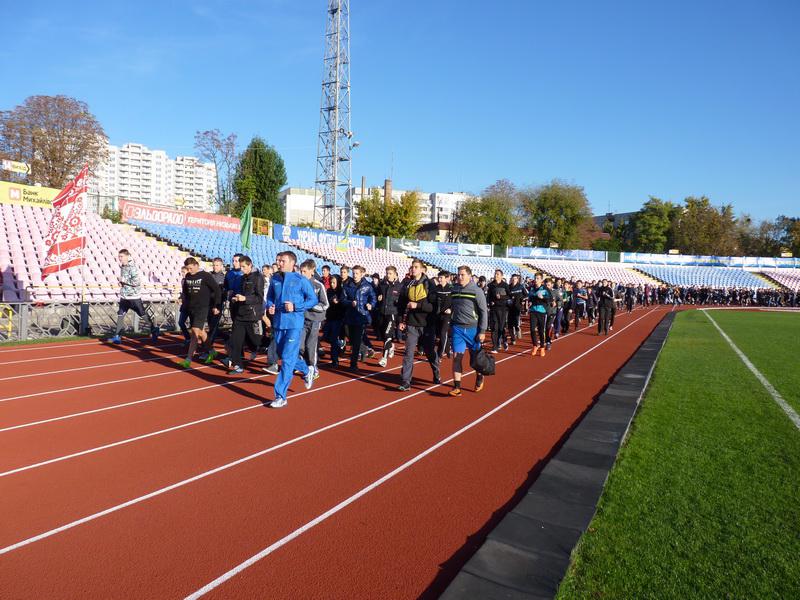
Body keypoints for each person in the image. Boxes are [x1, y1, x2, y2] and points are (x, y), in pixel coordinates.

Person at [264, 251, 318, 408]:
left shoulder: (300, 280)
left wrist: (296, 306)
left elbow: (313, 300)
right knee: (284, 355)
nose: (279, 263)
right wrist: (270, 306)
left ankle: (280, 396)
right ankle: (307, 370)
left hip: (294, 324)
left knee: (287, 360)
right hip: (278, 323)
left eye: (283, 261)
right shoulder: (275, 279)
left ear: (292, 263)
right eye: (278, 260)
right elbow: (270, 298)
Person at [398, 259, 440, 391]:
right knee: (408, 353)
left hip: (427, 324)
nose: (413, 269)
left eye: (416, 267)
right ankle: (406, 381)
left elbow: (434, 307)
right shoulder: (407, 284)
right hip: (411, 323)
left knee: (429, 352)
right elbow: (401, 304)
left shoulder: (429, 284)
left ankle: (436, 371)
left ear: (422, 269)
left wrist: (418, 305)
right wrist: (401, 320)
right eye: (412, 267)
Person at [448, 265, 489, 396]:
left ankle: (479, 376)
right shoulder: (454, 289)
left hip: (473, 329)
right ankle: (457, 387)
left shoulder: (477, 290)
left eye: (462, 275)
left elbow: (483, 311)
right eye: (458, 275)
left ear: (469, 276)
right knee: (457, 357)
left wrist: (482, 331)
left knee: (476, 358)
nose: (460, 277)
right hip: (457, 328)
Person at [223, 256, 265, 373]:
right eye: (240, 267)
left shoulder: (258, 277)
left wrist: (245, 298)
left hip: (252, 314)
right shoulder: (242, 278)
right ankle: (238, 365)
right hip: (240, 314)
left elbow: (259, 298)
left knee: (255, 340)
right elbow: (241, 294)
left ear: (250, 265)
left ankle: (268, 346)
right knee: (235, 340)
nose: (242, 269)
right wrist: (236, 298)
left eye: (244, 267)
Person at [109, 249, 159, 344]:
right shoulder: (123, 266)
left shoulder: (133, 267)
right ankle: (117, 336)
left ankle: (154, 329)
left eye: (121, 256)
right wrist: (121, 283)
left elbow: (136, 282)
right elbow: (126, 280)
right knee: (120, 315)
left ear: (127, 256)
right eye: (119, 256)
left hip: (134, 297)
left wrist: (123, 280)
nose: (120, 258)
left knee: (142, 315)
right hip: (124, 296)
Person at [179, 257, 221, 368]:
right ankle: (212, 351)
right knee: (201, 332)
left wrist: (216, 305)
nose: (189, 271)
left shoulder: (205, 276)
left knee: (195, 332)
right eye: (187, 269)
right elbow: (185, 292)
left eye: (191, 268)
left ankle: (188, 359)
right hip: (191, 308)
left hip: (202, 308)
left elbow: (217, 289)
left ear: (196, 265)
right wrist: (182, 299)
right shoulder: (188, 277)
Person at [342, 265, 377, 372]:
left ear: (362, 274)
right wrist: (350, 303)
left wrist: (371, 304)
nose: (355, 275)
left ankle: (353, 364)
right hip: (349, 316)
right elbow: (343, 299)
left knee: (357, 341)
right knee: (350, 338)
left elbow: (373, 298)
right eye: (353, 273)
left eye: (357, 273)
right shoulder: (347, 285)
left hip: (361, 316)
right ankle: (364, 348)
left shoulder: (367, 286)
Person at [298, 259, 329, 380]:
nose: (302, 274)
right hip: (302, 319)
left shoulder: (318, 285)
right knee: (299, 345)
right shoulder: (298, 284)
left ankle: (313, 367)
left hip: (315, 320)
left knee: (311, 345)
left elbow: (325, 304)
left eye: (304, 271)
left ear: (312, 271)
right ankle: (304, 365)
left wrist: (311, 305)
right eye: (301, 271)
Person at [376, 265, 403, 367]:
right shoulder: (382, 285)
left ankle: (384, 358)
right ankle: (391, 346)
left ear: (395, 274)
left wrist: (400, 319)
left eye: (390, 273)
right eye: (387, 273)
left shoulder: (400, 286)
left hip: (392, 314)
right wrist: (378, 298)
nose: (388, 275)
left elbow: (402, 303)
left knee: (387, 335)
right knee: (383, 336)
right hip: (381, 313)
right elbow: (377, 295)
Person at [200, 257, 226, 361]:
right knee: (211, 328)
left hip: (217, 306)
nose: (215, 267)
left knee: (213, 328)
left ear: (221, 266)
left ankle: (207, 350)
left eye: (217, 265)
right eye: (214, 265)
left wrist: (218, 306)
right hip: (207, 305)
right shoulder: (209, 275)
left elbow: (223, 294)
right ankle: (226, 338)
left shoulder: (224, 278)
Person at [323, 274, 346, 367]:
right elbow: (326, 302)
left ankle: (335, 360)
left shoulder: (342, 291)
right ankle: (340, 343)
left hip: (338, 318)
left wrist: (339, 302)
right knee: (325, 337)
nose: (332, 284)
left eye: (334, 283)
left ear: (338, 282)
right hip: (329, 317)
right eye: (331, 282)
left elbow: (344, 303)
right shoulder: (329, 291)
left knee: (333, 339)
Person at [487, 269, 510, 353]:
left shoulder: (505, 285)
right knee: (494, 328)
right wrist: (490, 302)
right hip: (494, 309)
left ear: (501, 276)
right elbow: (488, 296)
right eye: (495, 274)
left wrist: (501, 297)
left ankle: (504, 339)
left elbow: (509, 296)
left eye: (497, 274)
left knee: (501, 327)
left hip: (502, 309)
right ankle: (495, 346)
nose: (496, 275)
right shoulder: (491, 285)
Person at [528, 272, 551, 357]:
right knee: (532, 329)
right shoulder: (532, 288)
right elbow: (530, 297)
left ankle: (542, 347)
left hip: (542, 311)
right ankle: (535, 345)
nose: (536, 280)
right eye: (535, 278)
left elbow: (550, 298)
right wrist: (529, 302)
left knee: (541, 330)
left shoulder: (545, 288)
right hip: (533, 310)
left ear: (541, 280)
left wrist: (543, 297)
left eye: (538, 278)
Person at [433, 271, 453, 359]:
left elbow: (455, 302)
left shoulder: (451, 289)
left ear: (446, 278)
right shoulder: (436, 288)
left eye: (441, 277)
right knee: (440, 334)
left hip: (447, 315)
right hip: (437, 315)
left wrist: (451, 309)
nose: (439, 279)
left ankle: (439, 354)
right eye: (439, 277)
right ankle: (448, 350)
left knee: (443, 333)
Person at [507, 274, 525, 344]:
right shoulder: (508, 287)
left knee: (516, 323)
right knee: (510, 325)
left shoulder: (521, 287)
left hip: (517, 307)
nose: (514, 280)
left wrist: (522, 300)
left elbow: (526, 295)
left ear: (517, 279)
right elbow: (506, 296)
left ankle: (518, 329)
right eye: (513, 278)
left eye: (515, 278)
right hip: (510, 308)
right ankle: (513, 339)